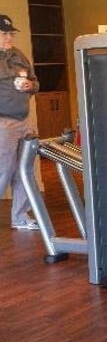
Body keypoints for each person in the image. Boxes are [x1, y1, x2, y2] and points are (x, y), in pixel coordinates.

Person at [0, 14, 40, 231]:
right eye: (4, 33)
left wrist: (30, 86)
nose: (9, 37)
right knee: (4, 170)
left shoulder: (18, 55)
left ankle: (21, 216)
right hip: (3, 123)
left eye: (10, 33)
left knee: (25, 169)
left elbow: (35, 82)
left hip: (25, 119)